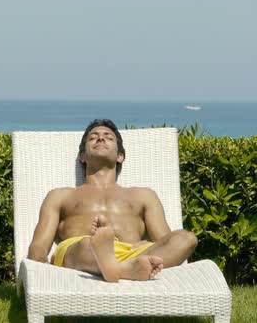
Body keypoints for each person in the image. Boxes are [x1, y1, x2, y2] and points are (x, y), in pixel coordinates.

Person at [27, 119, 198, 282]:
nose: (100, 138)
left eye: (108, 137)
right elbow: (40, 244)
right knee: (87, 243)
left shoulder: (143, 195)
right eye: (93, 137)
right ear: (83, 157)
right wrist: (38, 271)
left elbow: (165, 240)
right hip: (82, 251)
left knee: (187, 238)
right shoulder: (61, 195)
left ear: (120, 157)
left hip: (131, 252)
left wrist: (146, 244)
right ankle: (124, 269)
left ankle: (120, 267)